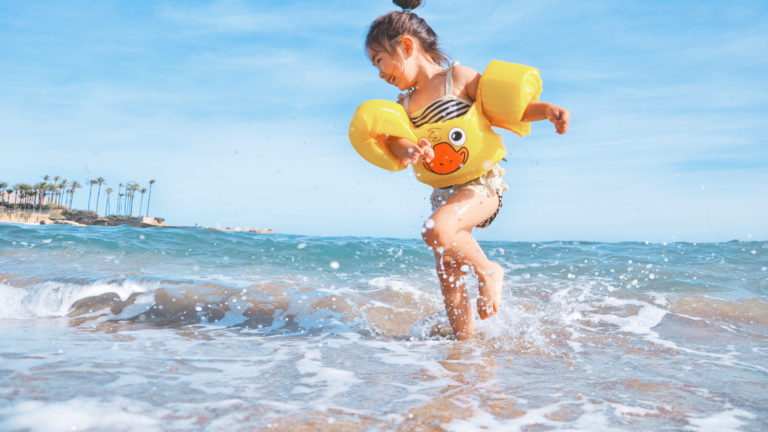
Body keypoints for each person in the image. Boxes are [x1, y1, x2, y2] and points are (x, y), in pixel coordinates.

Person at [364, 0, 570, 340]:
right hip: (443, 194)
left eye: (379, 60)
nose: (379, 72)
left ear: (406, 46)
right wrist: (410, 149)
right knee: (449, 275)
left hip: (481, 186)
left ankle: (489, 272)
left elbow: (509, 109)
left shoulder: (457, 79)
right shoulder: (403, 106)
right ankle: (464, 350)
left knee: (435, 230)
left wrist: (546, 110)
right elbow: (398, 142)